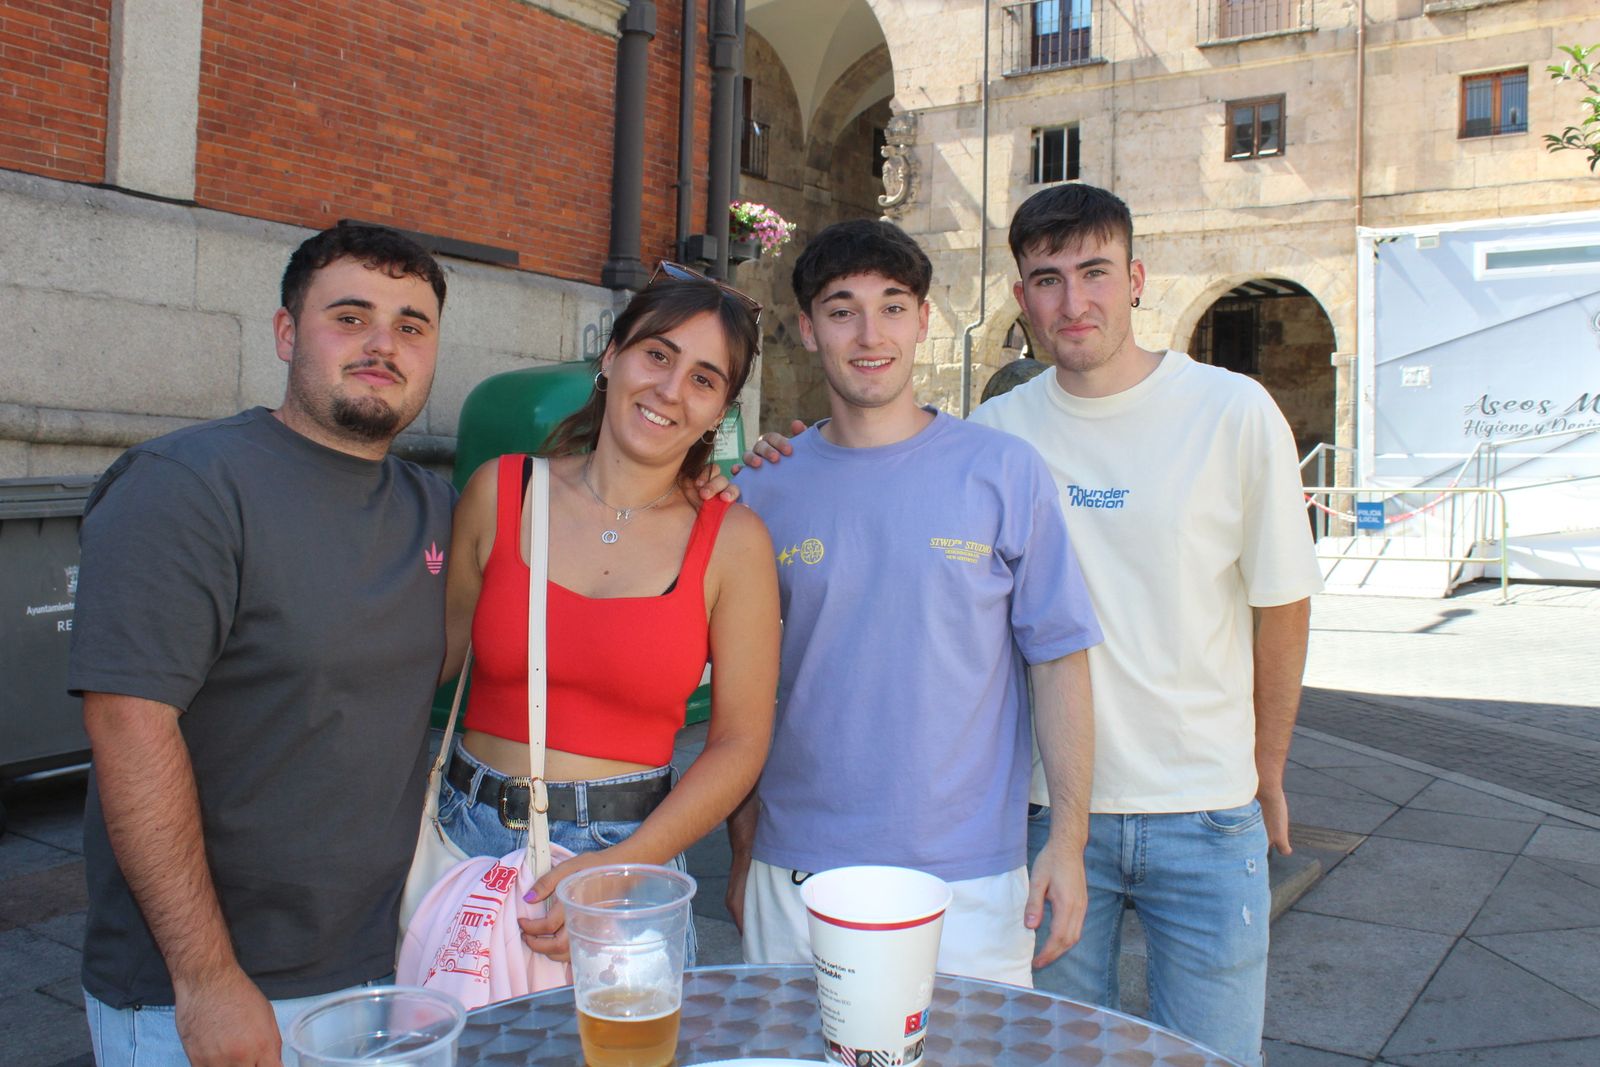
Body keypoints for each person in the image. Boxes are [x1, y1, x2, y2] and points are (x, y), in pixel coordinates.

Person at [70, 223, 457, 1067]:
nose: (383, 345)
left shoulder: (435, 508)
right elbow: (129, 726)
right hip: (207, 989)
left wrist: (697, 476)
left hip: (381, 971)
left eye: (411, 325)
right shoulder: (187, 485)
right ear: (287, 334)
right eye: (349, 317)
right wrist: (206, 977)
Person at [970, 183, 1322, 1065]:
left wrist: (1267, 766)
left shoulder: (1232, 411)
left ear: (1135, 279)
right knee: (1055, 1054)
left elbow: (1281, 604)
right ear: (1022, 300)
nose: (1073, 300)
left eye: (1093, 272)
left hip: (1204, 812)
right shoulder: (998, 432)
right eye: (1046, 280)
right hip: (1049, 816)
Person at [728, 219, 1102, 987]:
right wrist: (742, 853)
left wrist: (1068, 839)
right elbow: (743, 694)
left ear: (925, 318)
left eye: (894, 306)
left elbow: (1059, 660)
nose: (871, 334)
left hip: (966, 880)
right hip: (795, 872)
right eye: (842, 309)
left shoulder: (1003, 471)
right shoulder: (761, 491)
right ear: (806, 329)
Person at [436, 264, 780, 965]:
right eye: (657, 354)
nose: (670, 390)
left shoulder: (733, 542)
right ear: (610, 356)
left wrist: (624, 865)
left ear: (721, 413)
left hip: (631, 859)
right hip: (464, 844)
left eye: (705, 379)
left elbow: (740, 743)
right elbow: (427, 670)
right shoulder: (499, 492)